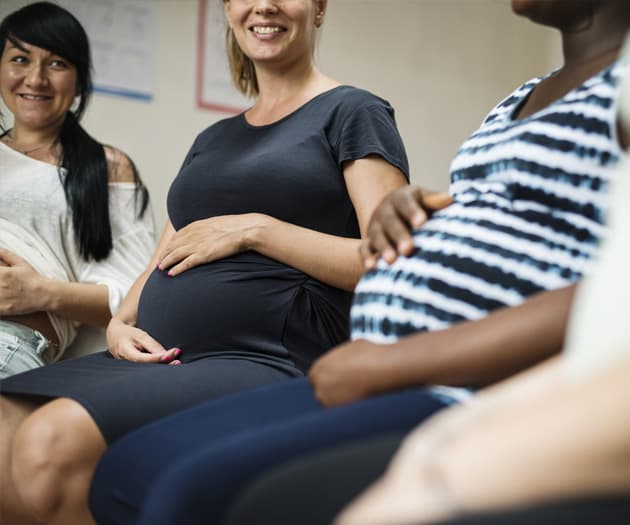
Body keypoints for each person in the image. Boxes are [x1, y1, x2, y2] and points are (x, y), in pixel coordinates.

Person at [88, 2, 630, 525]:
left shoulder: (352, 111)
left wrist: (398, 360)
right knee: (125, 473)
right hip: (392, 363)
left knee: (192, 496)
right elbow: (521, 230)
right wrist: (421, 211)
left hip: (447, 376)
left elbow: (610, 287)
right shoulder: (517, 100)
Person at [0, 0, 409, 523]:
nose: (265, 5)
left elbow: (392, 263)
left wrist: (259, 230)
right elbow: (167, 253)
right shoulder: (213, 139)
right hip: (169, 354)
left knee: (49, 442)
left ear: (320, 8)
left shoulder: (353, 111)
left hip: (267, 356)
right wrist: (123, 322)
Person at [0, 0, 154, 380]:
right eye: (20, 59)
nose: (35, 79)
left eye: (57, 63)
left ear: (80, 80)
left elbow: (135, 299)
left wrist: (40, 292)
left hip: (12, 338)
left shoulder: (106, 167)